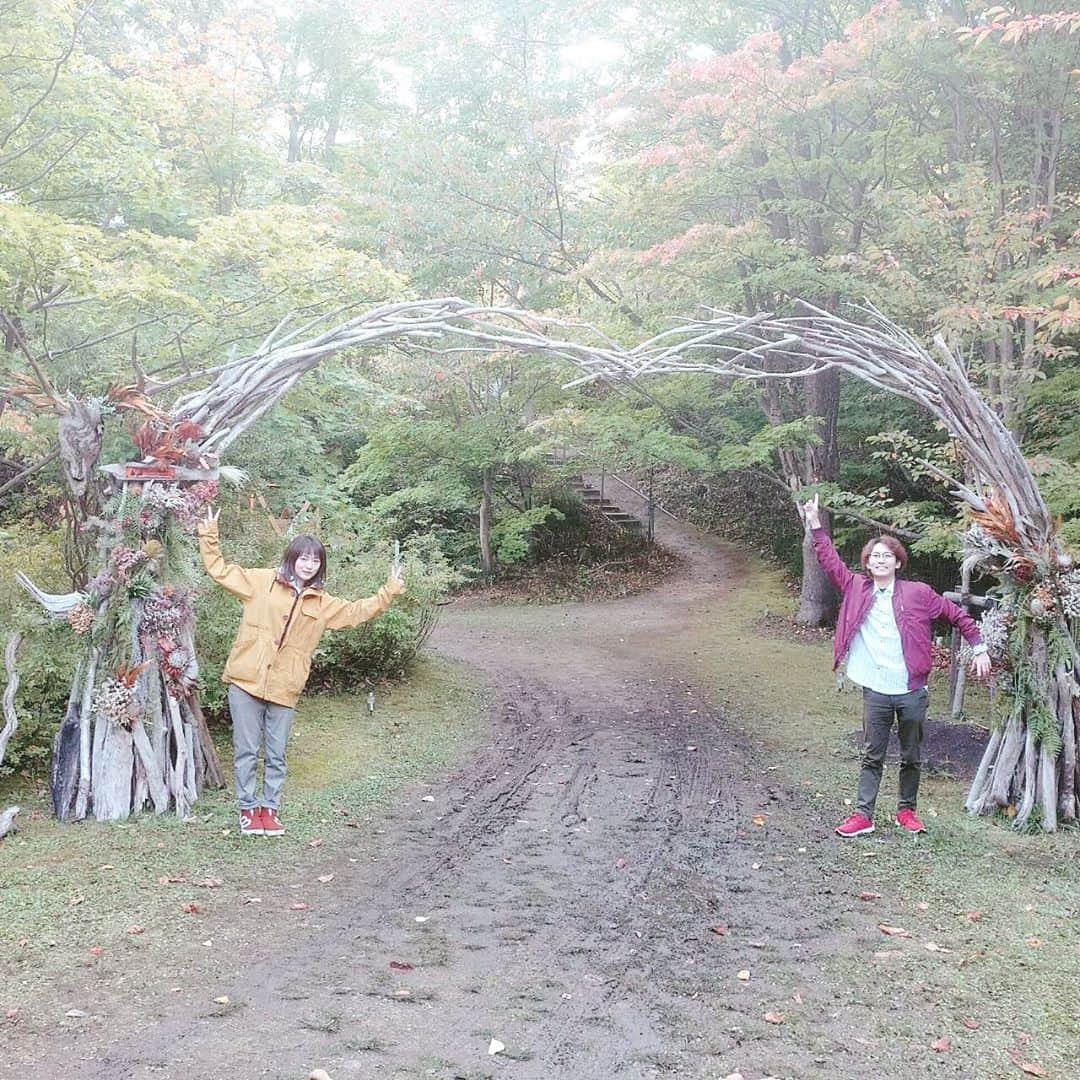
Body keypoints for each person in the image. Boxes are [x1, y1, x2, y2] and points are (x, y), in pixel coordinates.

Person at [198, 508, 406, 836]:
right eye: (303, 558)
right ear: (291, 558)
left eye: (315, 561)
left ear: (320, 566)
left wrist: (388, 592)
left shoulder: (322, 602)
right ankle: (248, 809)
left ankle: (270, 808)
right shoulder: (261, 581)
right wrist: (209, 534)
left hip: (285, 687)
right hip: (245, 681)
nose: (308, 565)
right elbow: (220, 570)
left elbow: (356, 612)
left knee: (277, 753)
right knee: (247, 750)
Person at [800, 494, 991, 837]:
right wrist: (815, 522)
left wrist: (978, 646)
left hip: (911, 689)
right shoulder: (857, 587)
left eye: (887, 556)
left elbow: (958, 615)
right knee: (872, 754)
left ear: (898, 563)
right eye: (874, 557)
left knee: (911, 754)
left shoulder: (919, 593)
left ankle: (907, 811)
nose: (880, 561)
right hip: (876, 688)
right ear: (868, 563)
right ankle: (863, 815)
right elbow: (829, 561)